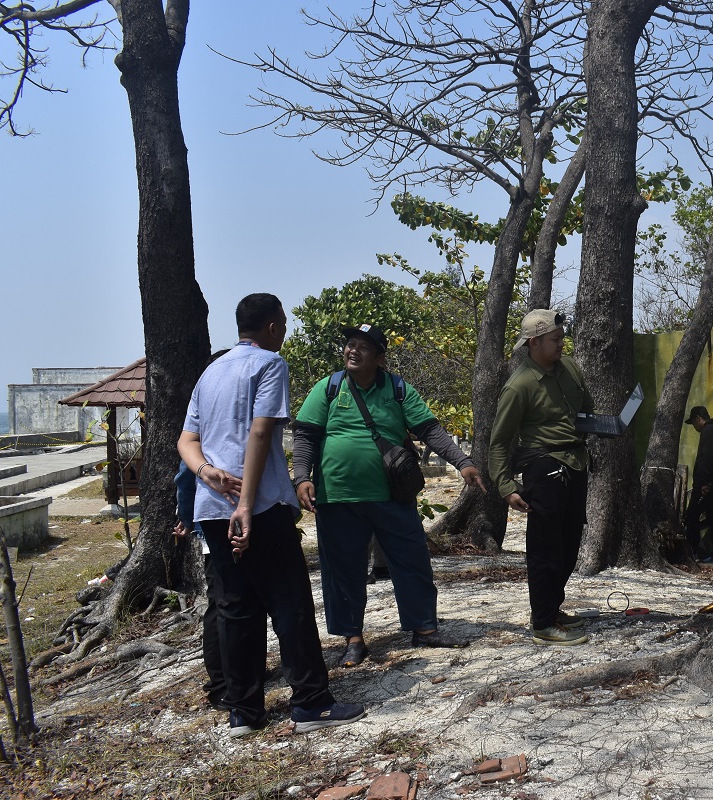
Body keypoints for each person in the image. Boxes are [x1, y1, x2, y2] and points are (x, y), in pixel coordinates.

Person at [178, 293, 365, 737]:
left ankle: (244, 711)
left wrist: (206, 473)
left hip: (211, 507)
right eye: (283, 323)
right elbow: (261, 432)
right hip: (260, 506)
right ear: (273, 327)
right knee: (289, 603)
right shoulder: (269, 364)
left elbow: (187, 440)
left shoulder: (211, 372)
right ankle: (311, 703)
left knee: (236, 607)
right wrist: (246, 503)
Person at [292, 323, 485, 666]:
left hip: (392, 495)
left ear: (380, 358)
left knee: (411, 560)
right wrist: (301, 478)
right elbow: (306, 434)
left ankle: (424, 628)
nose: (353, 350)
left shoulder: (397, 389)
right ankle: (353, 639)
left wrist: (463, 462)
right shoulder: (329, 387)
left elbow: (429, 429)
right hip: (338, 496)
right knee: (343, 569)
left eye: (363, 347)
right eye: (350, 344)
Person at [489, 309, 593, 646]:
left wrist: (604, 424)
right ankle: (543, 624)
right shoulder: (519, 386)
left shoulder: (570, 367)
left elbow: (585, 407)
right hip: (544, 468)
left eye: (562, 338)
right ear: (534, 343)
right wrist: (506, 487)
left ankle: (552, 607)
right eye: (555, 339)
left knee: (569, 543)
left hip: (575, 462)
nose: (562, 344)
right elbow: (499, 442)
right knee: (545, 548)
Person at [173, 459, 227, 711]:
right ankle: (220, 684)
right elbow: (186, 475)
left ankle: (245, 672)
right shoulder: (199, 437)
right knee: (221, 604)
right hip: (216, 523)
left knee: (241, 603)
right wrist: (187, 517)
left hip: (242, 521)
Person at [683, 405, 713, 562]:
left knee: (691, 515)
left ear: (698, 419)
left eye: (693, 423)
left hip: (707, 485)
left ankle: (693, 553)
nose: (694, 427)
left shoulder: (708, 431)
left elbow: (708, 458)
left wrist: (704, 483)